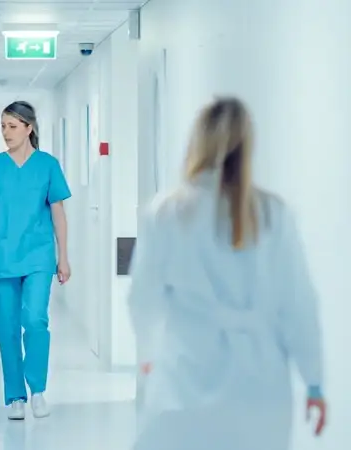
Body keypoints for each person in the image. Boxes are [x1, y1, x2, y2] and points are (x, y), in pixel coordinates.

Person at [128, 97, 327, 450]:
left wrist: (147, 358)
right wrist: (314, 381)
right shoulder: (272, 214)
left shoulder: (167, 212)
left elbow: (143, 298)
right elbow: (299, 305)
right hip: (259, 385)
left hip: (184, 375)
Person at [0, 101, 71, 420]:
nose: (5, 133)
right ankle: (15, 396)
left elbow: (58, 213)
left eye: (12, 127)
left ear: (29, 128)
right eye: (2, 126)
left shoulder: (48, 165)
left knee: (36, 320)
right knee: (8, 327)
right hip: (2, 257)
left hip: (39, 255)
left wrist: (64, 257)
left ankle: (37, 390)